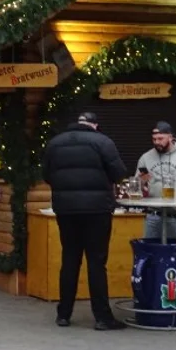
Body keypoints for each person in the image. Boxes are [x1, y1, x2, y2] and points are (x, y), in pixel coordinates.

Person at [43, 112, 130, 330]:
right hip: (97, 210)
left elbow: (46, 174)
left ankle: (63, 314)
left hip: (66, 210)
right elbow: (119, 173)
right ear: (95, 125)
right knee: (96, 262)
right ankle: (102, 317)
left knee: (70, 259)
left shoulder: (55, 143)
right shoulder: (103, 141)